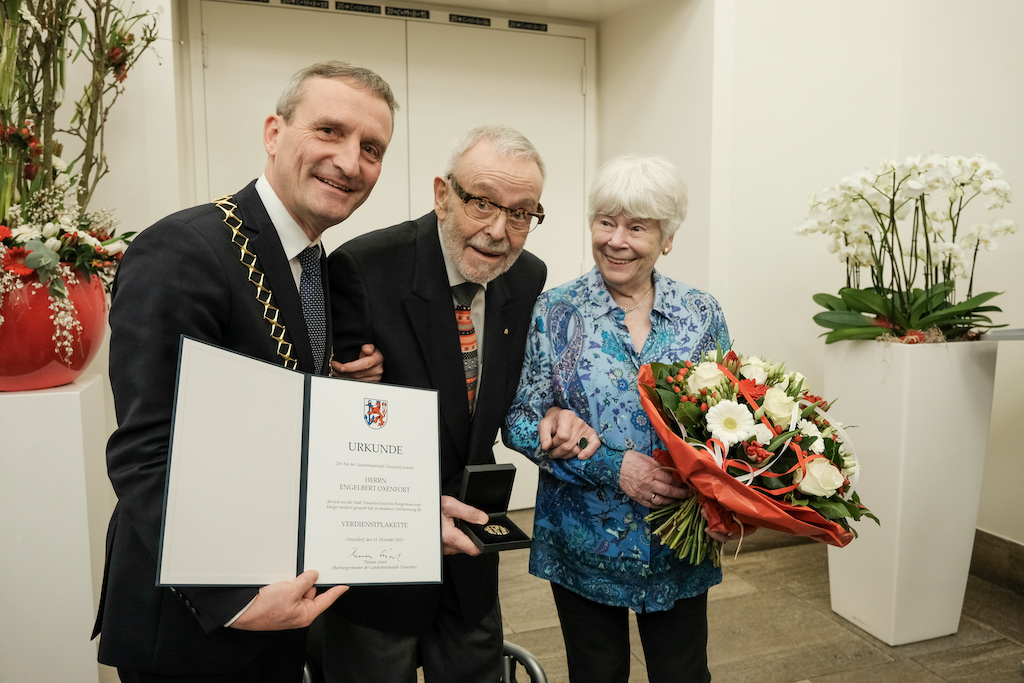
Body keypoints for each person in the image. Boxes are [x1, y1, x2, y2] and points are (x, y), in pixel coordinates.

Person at [92, 61, 396, 683]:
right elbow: (147, 452)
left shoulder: (315, 263)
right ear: (273, 133)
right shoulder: (183, 250)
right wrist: (233, 597)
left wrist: (405, 507)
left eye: (371, 148)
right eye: (329, 131)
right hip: (196, 619)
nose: (350, 161)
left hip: (280, 597)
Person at [322, 125, 550, 683]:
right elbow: (335, 417)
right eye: (481, 203)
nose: (499, 231)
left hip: (472, 552)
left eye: (521, 213)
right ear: (441, 194)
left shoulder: (526, 277)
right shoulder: (364, 267)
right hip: (378, 556)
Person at [503, 155, 732, 683]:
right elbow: (517, 420)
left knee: (683, 672)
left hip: (678, 542)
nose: (616, 240)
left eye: (637, 227)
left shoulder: (702, 315)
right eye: (605, 222)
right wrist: (611, 465)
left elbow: (729, 420)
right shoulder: (553, 313)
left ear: (667, 239)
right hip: (584, 542)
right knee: (596, 673)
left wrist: (729, 503)